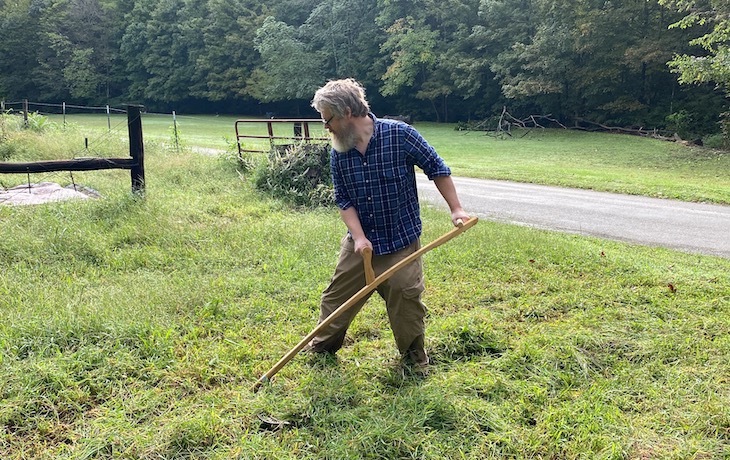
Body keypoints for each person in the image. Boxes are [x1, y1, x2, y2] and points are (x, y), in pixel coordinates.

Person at [306, 78, 469, 375]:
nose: (326, 127)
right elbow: (343, 199)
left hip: (400, 241)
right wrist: (358, 237)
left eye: (327, 119)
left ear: (346, 112)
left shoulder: (400, 135)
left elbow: (437, 168)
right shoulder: (338, 151)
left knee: (405, 299)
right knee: (335, 298)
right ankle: (322, 349)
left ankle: (413, 362)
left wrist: (456, 209)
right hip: (361, 245)